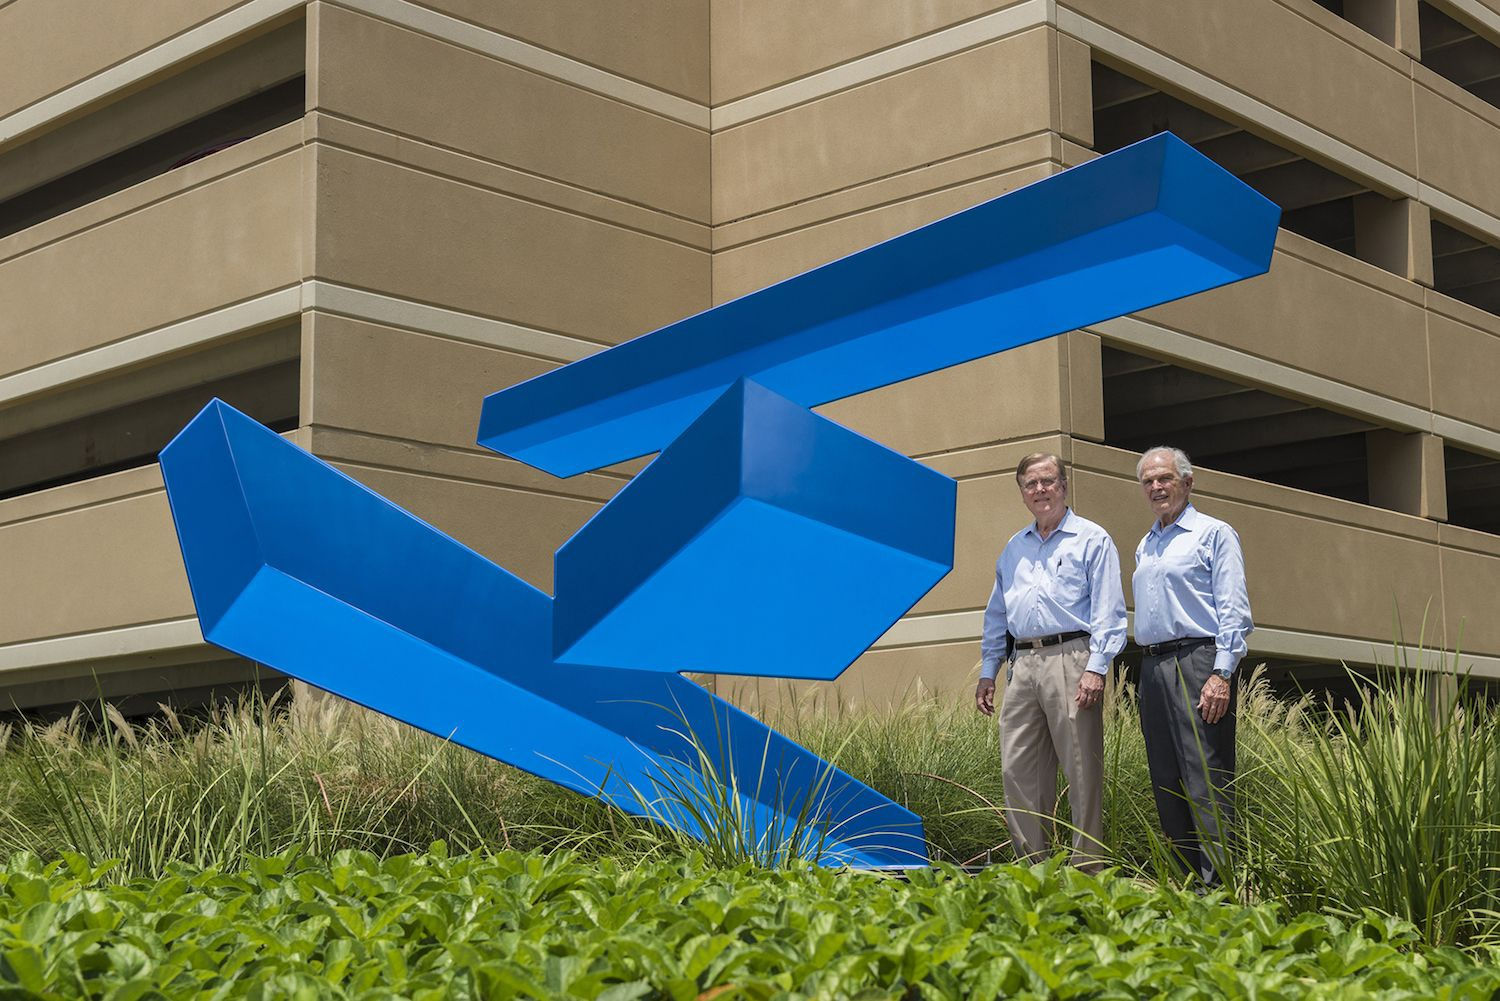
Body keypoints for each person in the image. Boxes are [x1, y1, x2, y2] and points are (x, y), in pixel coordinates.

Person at [975, 453, 1126, 870]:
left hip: (1072, 658)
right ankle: (1032, 869)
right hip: (1021, 662)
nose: (1039, 490)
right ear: (1022, 493)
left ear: (1063, 484)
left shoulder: (1092, 539)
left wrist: (1097, 667)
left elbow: (1109, 612)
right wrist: (989, 670)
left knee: (1081, 770)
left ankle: (1087, 871)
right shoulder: (1013, 548)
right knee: (1018, 769)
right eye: (1030, 484)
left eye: (1047, 481)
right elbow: (996, 615)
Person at [1132, 445, 1253, 886]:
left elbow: (1234, 611)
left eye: (1164, 478)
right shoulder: (1145, 545)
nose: (1156, 487)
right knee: (1166, 780)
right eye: (1148, 481)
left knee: (1206, 778)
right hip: (1153, 667)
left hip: (1199, 662)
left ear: (1187, 481)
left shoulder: (1214, 533)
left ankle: (1218, 891)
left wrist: (1222, 673)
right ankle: (1185, 888)